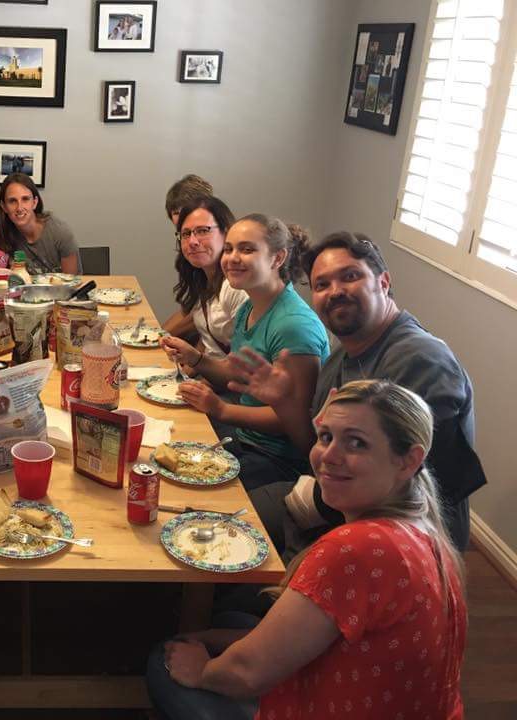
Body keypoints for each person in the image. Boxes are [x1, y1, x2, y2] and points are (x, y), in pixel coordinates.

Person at [147, 380, 467, 720]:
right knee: (226, 622)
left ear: (408, 460)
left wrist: (202, 671)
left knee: (163, 659)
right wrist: (214, 640)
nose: (329, 456)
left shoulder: (356, 549)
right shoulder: (425, 530)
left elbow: (247, 673)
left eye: (356, 443)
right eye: (326, 437)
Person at [228, 232, 485, 552]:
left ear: (383, 282)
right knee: (219, 521)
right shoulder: (342, 357)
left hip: (398, 538)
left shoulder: (421, 361)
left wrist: (307, 509)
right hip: (337, 498)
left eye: (350, 276)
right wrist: (286, 405)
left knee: (230, 530)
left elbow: (412, 488)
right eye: (322, 285)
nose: (335, 291)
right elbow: (316, 447)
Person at [160, 214, 330, 488]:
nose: (232, 258)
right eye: (228, 249)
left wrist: (221, 409)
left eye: (247, 249)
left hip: (277, 458)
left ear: (277, 258)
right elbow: (234, 372)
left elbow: (293, 420)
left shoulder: (293, 327)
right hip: (245, 437)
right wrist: (197, 358)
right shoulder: (250, 306)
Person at [160, 195, 246, 362]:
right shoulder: (204, 278)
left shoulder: (235, 286)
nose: (192, 241)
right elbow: (208, 345)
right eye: (186, 233)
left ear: (226, 233)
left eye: (202, 231)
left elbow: (244, 364)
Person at [0, 172, 81, 275]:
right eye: (12, 201)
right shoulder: (1, 234)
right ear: (4, 206)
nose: (19, 208)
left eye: (25, 199)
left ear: (35, 202)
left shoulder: (60, 233)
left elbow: (73, 281)